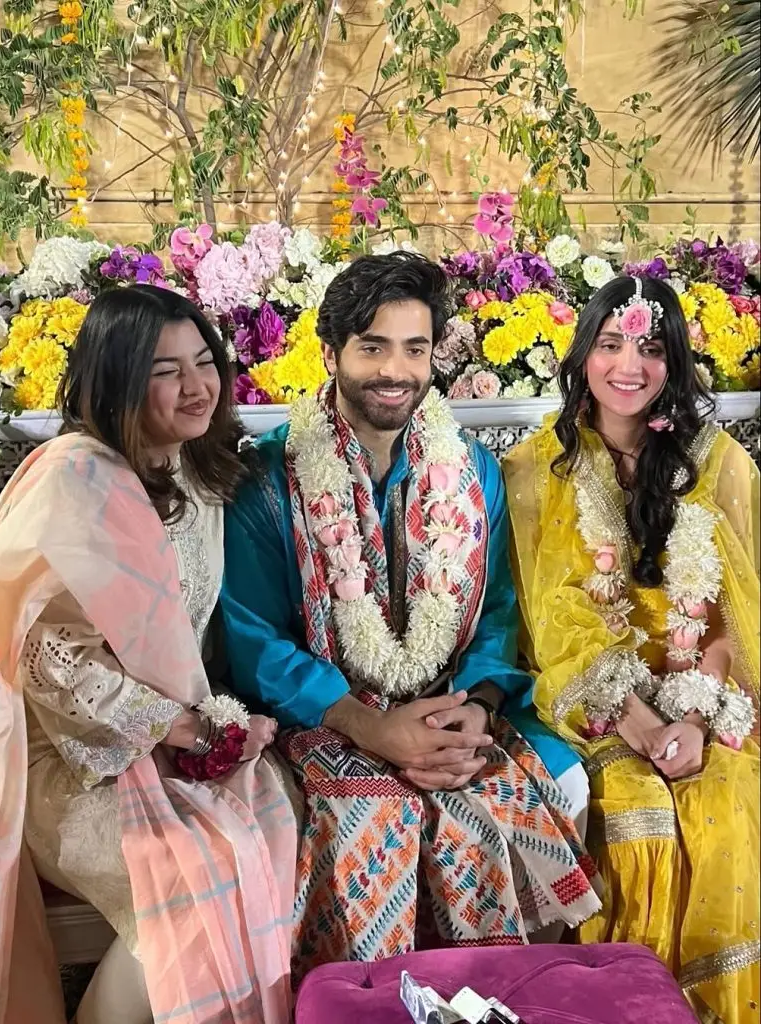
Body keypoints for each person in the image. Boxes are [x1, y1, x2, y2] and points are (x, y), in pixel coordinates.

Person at [220, 253, 602, 977]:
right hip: (322, 716)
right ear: (329, 353)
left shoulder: (468, 470)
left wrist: (481, 705)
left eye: (414, 348)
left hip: (448, 704)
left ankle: (497, 987)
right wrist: (371, 727)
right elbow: (253, 639)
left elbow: (497, 610)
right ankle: (367, 996)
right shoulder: (271, 478)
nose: (394, 369)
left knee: (565, 781)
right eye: (372, 347)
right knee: (373, 816)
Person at [0, 285, 298, 1024]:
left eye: (205, 362)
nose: (197, 385)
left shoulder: (200, 477)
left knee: (271, 825)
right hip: (66, 761)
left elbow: (191, 638)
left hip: (170, 735)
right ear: (118, 378)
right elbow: (48, 662)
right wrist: (194, 731)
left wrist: (225, 725)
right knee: (182, 880)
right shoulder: (74, 478)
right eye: (166, 370)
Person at [503, 274, 760, 1024]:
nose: (629, 366)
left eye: (650, 348)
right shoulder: (534, 471)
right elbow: (554, 629)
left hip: (700, 694)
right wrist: (643, 725)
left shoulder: (721, 466)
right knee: (638, 812)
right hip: (586, 699)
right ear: (582, 355)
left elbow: (731, 620)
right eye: (610, 344)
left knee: (725, 796)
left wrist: (694, 716)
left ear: (673, 364)